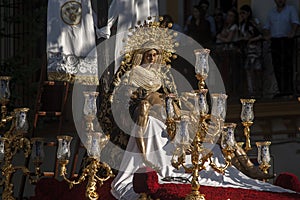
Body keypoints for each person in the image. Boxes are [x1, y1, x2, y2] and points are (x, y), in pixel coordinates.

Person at [263, 0, 299, 97]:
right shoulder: (271, 12)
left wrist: (292, 32)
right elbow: (266, 26)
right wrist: (267, 35)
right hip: (275, 41)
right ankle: (281, 89)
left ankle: (289, 90)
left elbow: (295, 22)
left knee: (287, 65)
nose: (280, 1)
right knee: (277, 66)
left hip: (286, 40)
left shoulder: (290, 9)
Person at [239, 5, 263, 98]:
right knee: (249, 70)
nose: (242, 15)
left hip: (255, 50)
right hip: (247, 51)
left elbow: (261, 34)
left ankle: (259, 91)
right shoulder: (242, 25)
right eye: (240, 13)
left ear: (248, 13)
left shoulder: (254, 22)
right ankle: (251, 91)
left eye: (243, 13)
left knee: (257, 70)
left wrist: (251, 40)